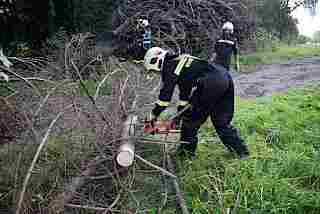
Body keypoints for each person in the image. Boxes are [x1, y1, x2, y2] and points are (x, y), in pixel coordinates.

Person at [144, 47, 249, 159]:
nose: (157, 73)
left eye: (154, 70)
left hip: (210, 84)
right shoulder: (180, 60)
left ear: (156, 61)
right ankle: (242, 152)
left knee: (189, 123)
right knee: (221, 122)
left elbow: (164, 98)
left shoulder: (169, 67)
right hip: (223, 77)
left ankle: (186, 155)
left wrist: (153, 115)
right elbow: (184, 92)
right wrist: (180, 114)